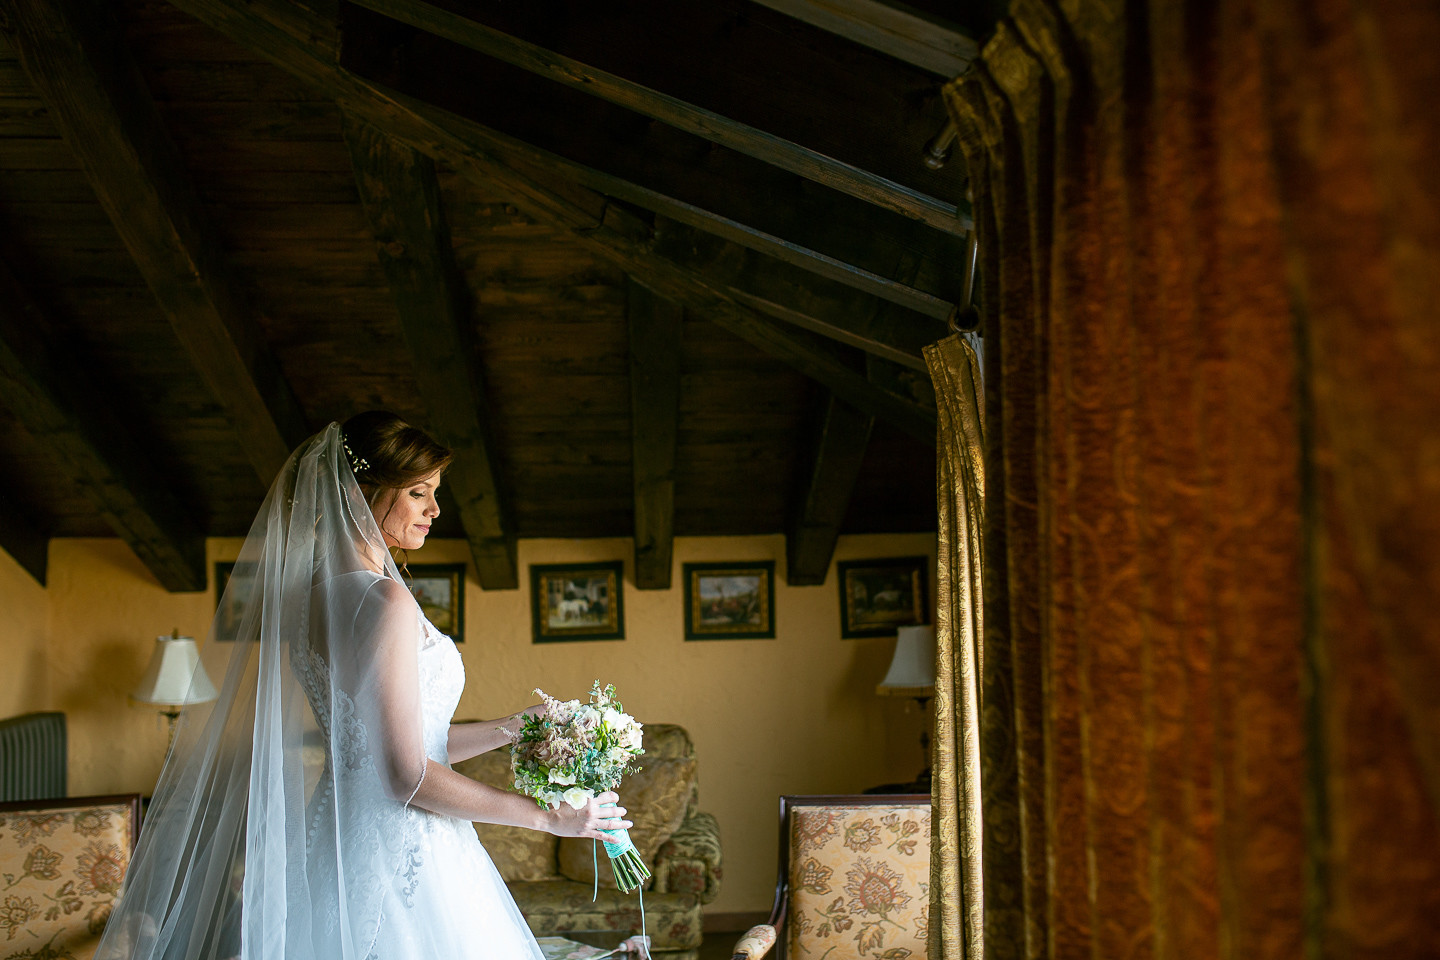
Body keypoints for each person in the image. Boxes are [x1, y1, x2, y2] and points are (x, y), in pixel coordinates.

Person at [96, 413, 631, 960]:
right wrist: (548, 818)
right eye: (418, 493)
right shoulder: (385, 602)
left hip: (338, 845)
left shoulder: (312, 602)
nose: (435, 510)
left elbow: (391, 742)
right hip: (406, 855)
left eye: (435, 494)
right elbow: (407, 777)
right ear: (362, 492)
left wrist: (514, 728)